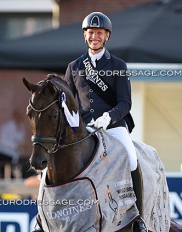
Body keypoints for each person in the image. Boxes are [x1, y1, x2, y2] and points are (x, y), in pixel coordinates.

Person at [63, 12, 147, 231]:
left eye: (99, 33)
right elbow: (67, 101)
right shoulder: (74, 66)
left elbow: (125, 103)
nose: (94, 37)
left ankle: (137, 216)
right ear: (85, 36)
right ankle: (43, 217)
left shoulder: (118, 64)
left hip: (113, 125)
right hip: (83, 128)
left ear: (107, 36)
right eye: (91, 33)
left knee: (130, 159)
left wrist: (108, 117)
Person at [0, 110, 26, 178]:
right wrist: (16, 145)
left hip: (15, 155)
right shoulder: (6, 127)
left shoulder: (21, 127)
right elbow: (2, 141)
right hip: (4, 153)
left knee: (15, 174)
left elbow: (21, 139)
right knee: (4, 175)